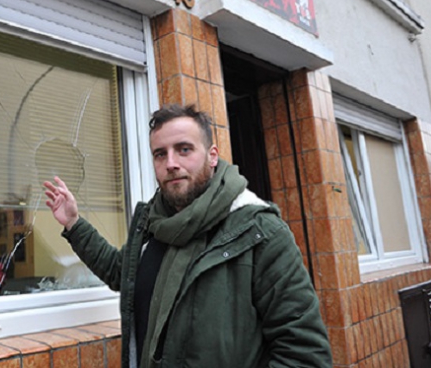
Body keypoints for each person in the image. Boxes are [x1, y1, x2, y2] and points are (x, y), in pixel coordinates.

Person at [44, 104, 332, 368]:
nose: (171, 163)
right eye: (160, 154)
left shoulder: (260, 232)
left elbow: (304, 355)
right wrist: (74, 224)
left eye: (184, 149)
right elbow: (121, 273)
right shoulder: (151, 225)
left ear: (212, 156)